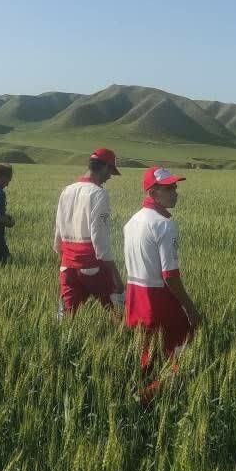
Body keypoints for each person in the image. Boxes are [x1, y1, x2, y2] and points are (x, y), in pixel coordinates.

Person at [124, 167, 202, 402]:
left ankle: (136, 395)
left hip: (135, 300)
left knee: (148, 357)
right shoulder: (164, 225)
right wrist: (190, 308)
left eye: (175, 187)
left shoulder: (132, 221)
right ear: (153, 191)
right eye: (169, 188)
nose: (175, 192)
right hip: (159, 301)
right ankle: (145, 399)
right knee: (183, 356)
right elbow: (169, 274)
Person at [53, 148, 125, 315]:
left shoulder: (67, 190)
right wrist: (114, 274)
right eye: (111, 171)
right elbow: (100, 237)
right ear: (105, 167)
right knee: (116, 312)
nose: (110, 177)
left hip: (67, 265)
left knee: (66, 317)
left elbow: (58, 229)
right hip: (93, 264)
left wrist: (62, 256)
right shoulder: (99, 194)